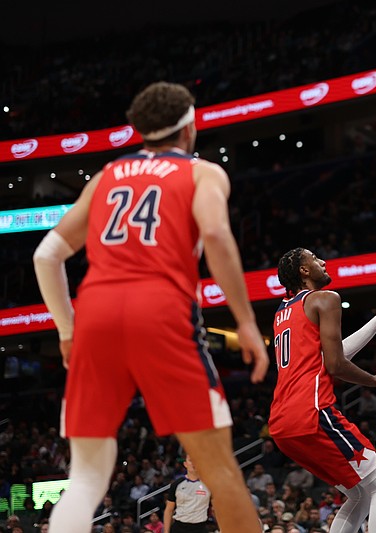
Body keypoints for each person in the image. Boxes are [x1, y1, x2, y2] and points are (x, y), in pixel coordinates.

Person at [33, 81, 268, 533]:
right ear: (189, 128)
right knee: (220, 470)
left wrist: (66, 330)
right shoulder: (203, 173)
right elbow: (217, 236)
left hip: (96, 313)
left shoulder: (104, 177)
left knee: (84, 478)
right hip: (161, 312)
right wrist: (244, 321)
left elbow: (46, 256)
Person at [269, 248, 376, 533]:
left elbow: (334, 353)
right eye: (315, 259)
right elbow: (336, 364)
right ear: (304, 271)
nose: (323, 262)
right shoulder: (326, 299)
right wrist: (375, 381)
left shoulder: (284, 311)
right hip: (312, 413)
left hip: (282, 425)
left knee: (360, 494)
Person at [163, 456, 212, 533]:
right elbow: (169, 510)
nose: (194, 463)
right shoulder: (176, 484)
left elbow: (215, 509)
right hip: (179, 528)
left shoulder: (209, 485)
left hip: (200, 528)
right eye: (190, 460)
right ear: (185, 464)